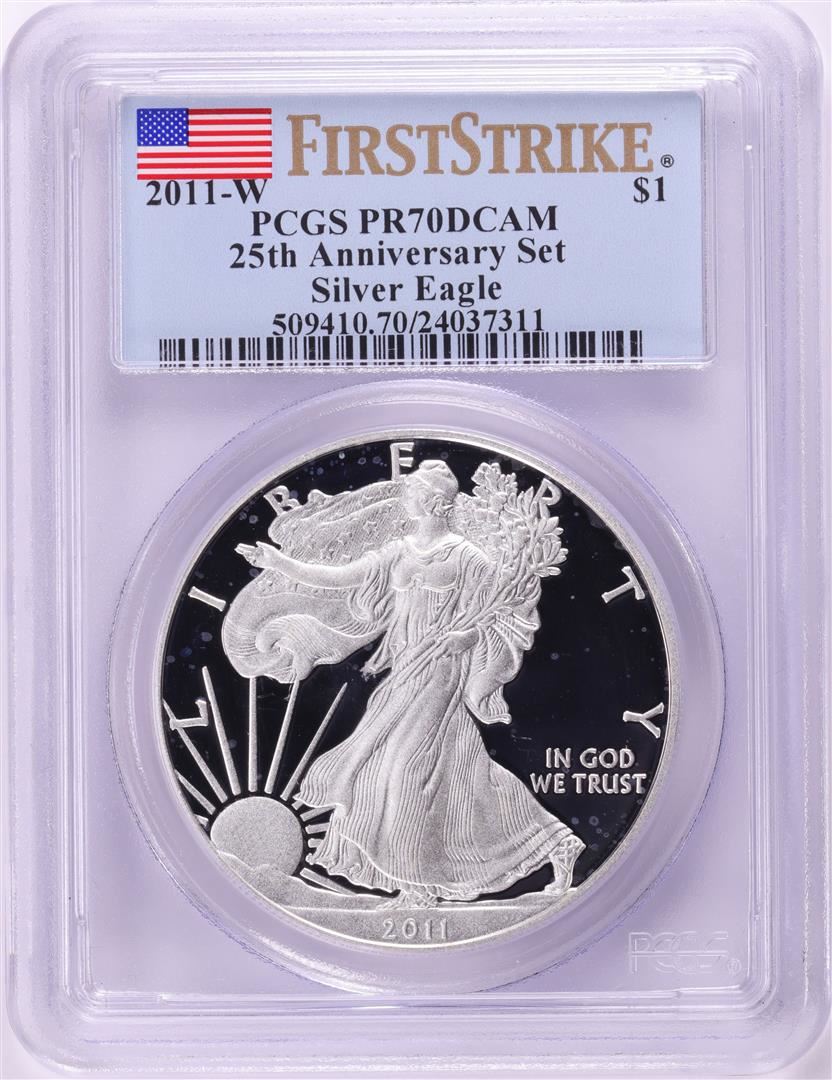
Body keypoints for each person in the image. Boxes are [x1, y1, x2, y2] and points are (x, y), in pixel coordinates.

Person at [235, 460, 583, 907]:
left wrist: (466, 637)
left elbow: (500, 614)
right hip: (405, 669)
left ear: (434, 503)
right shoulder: (399, 551)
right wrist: (278, 562)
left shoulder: (467, 557)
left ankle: (416, 884)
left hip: (441, 670)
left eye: (413, 493)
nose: (405, 499)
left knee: (402, 767)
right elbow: (341, 578)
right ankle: (554, 842)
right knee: (459, 772)